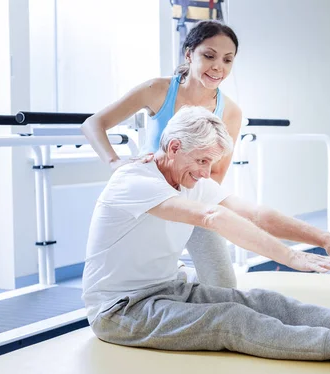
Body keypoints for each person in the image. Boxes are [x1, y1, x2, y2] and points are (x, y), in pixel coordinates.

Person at [82, 106, 330, 374]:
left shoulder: (190, 179)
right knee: (230, 319)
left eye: (213, 163)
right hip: (120, 311)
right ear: (174, 146)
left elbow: (257, 214)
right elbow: (213, 217)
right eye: (203, 160)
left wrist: (326, 239)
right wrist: (290, 257)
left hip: (169, 290)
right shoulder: (134, 180)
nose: (207, 173)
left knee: (260, 300)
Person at [81, 20, 241, 289]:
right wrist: (114, 162)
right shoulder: (158, 90)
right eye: (209, 56)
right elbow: (93, 124)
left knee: (224, 285)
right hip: (149, 196)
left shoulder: (231, 112)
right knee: (143, 280)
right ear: (189, 54)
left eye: (228, 60)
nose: (218, 67)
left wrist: (192, 211)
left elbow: (215, 174)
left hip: (192, 199)